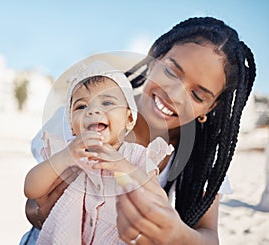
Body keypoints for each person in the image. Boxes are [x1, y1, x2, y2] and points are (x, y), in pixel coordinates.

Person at [20, 16, 256, 245]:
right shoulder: (83, 115)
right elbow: (33, 202)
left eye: (196, 95)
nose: (174, 95)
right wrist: (40, 211)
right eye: (171, 72)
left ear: (210, 107)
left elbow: (208, 236)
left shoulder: (200, 158)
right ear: (154, 57)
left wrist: (176, 235)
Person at [24, 61, 173, 244]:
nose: (93, 111)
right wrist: (65, 157)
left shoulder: (135, 157)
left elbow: (160, 200)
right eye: (81, 106)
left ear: (129, 118)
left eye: (107, 102)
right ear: (71, 123)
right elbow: (31, 189)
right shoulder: (67, 153)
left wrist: (124, 167)